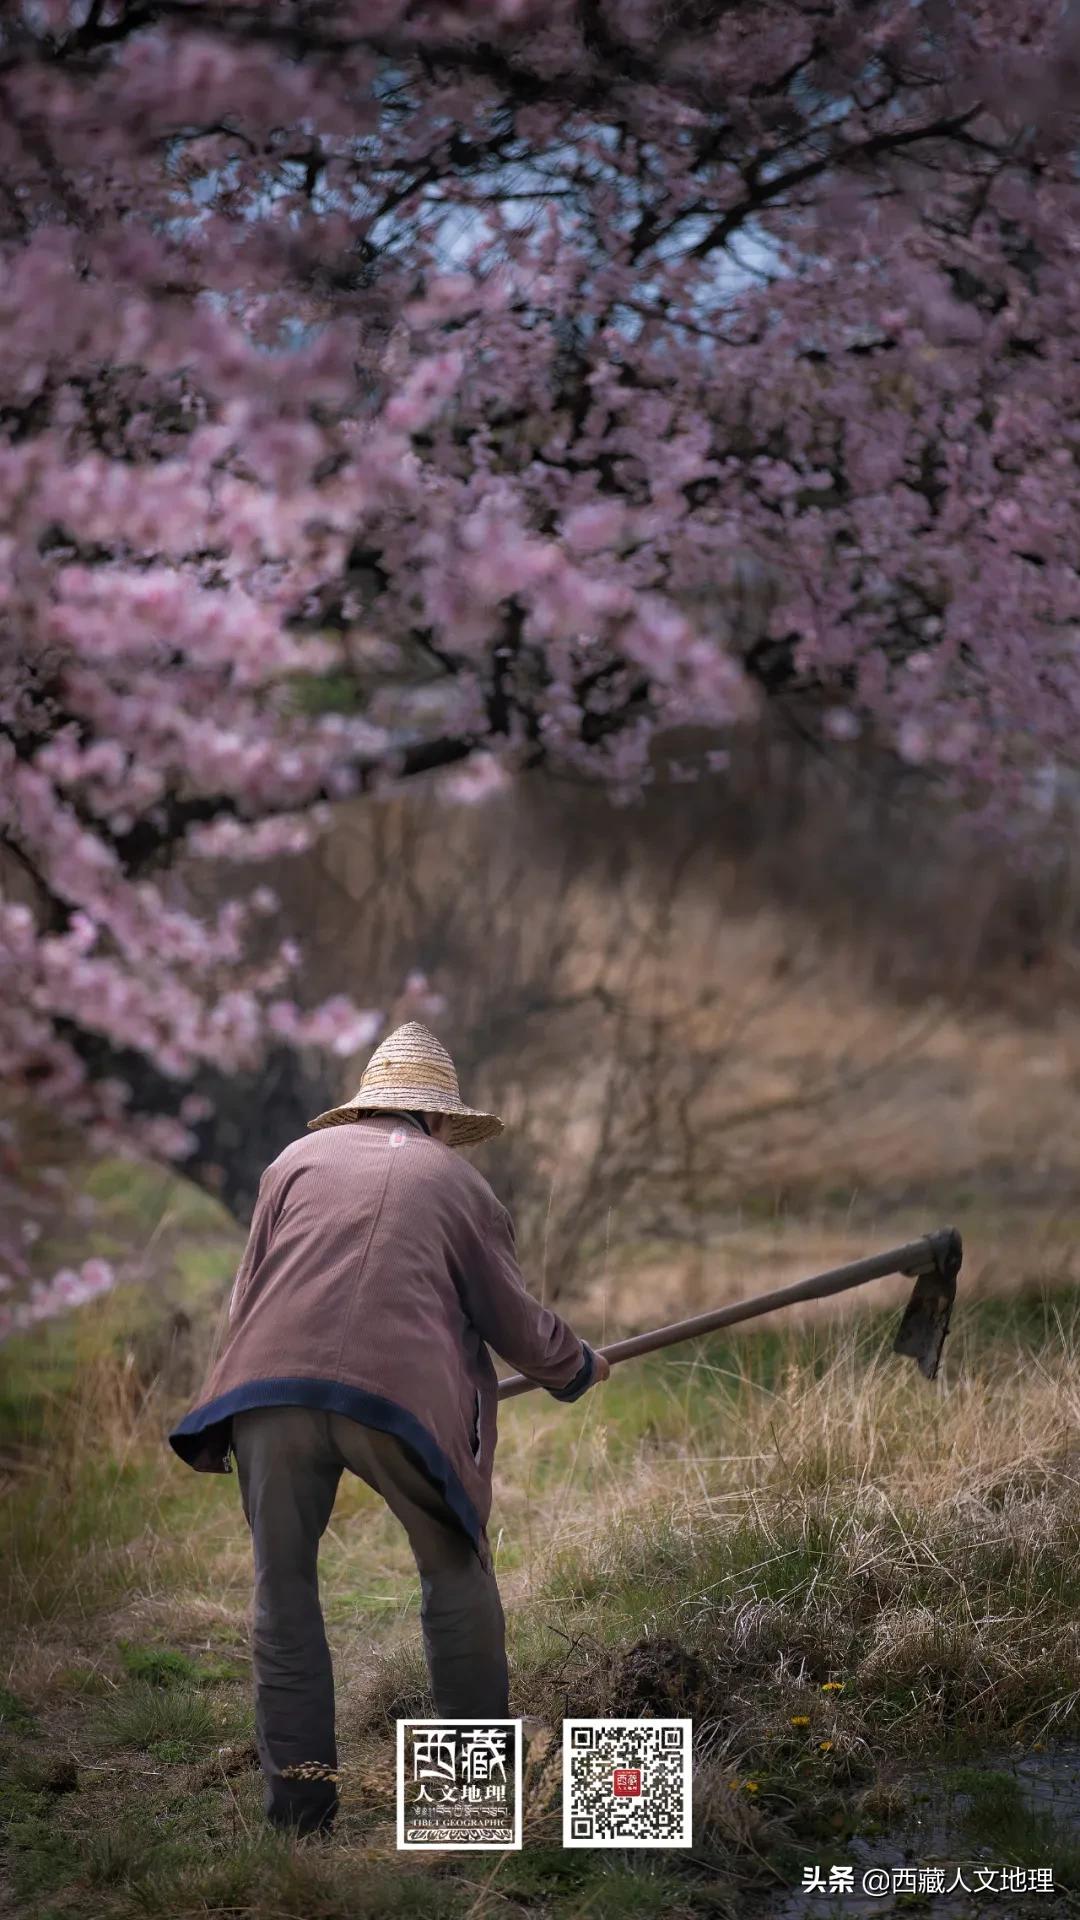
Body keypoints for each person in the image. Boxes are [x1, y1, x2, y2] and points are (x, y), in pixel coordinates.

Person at [169, 1020, 609, 1835]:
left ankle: (300, 1820)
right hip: (397, 1403)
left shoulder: (289, 1165)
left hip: (265, 1390)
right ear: (441, 1120)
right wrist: (576, 1364)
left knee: (283, 1591)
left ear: (367, 1109)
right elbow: (512, 1320)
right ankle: (465, 1809)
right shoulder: (463, 1188)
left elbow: (246, 1299)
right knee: (454, 1574)